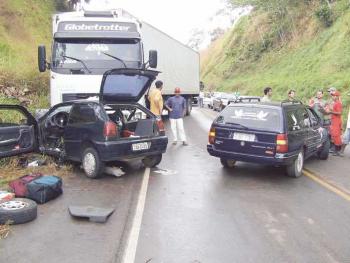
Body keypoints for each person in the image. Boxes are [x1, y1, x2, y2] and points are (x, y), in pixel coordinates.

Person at [328, 91, 343, 156]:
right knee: (334, 135)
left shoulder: (338, 103)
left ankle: (337, 151)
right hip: (334, 120)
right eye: (332, 95)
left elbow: (339, 113)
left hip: (336, 121)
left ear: (337, 97)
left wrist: (331, 112)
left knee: (336, 135)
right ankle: (336, 150)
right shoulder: (335, 103)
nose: (332, 97)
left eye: (333, 96)